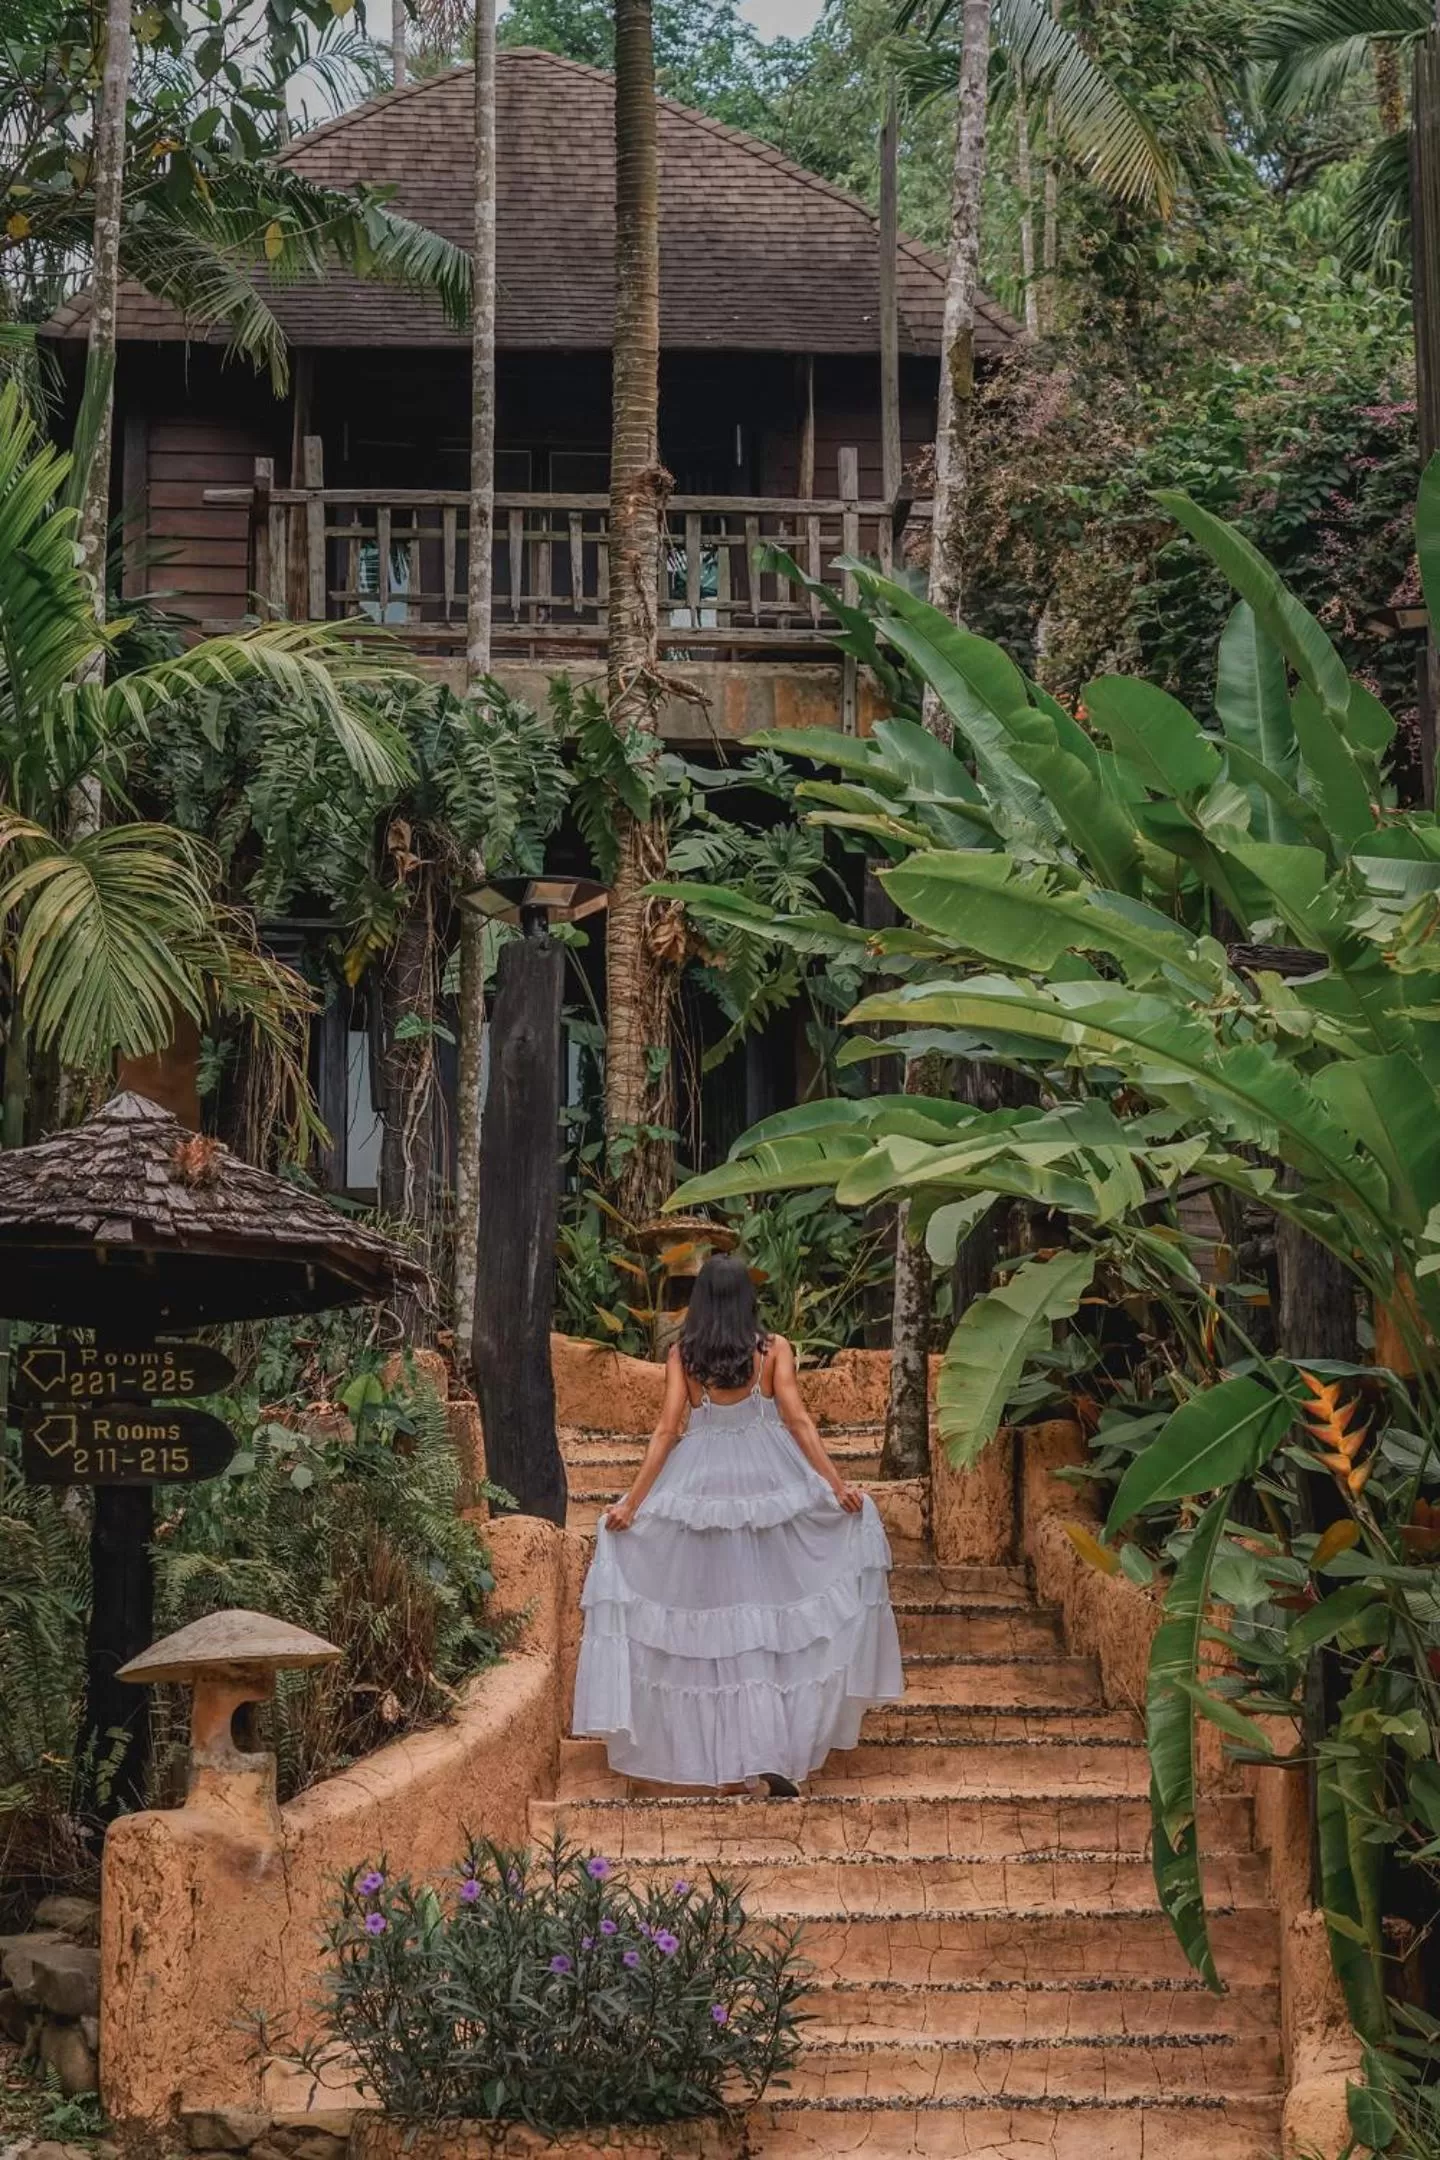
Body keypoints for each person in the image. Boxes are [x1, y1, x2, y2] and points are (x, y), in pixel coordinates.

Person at [572, 1252, 904, 1794]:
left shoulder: (684, 1354)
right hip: (768, 1485)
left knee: (718, 1624)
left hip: (699, 1488)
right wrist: (836, 1486)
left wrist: (632, 1504)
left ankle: (732, 1764)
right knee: (767, 1622)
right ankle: (767, 1756)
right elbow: (796, 1418)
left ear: (699, 1301)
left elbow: (666, 1431)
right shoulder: (774, 1350)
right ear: (749, 1298)